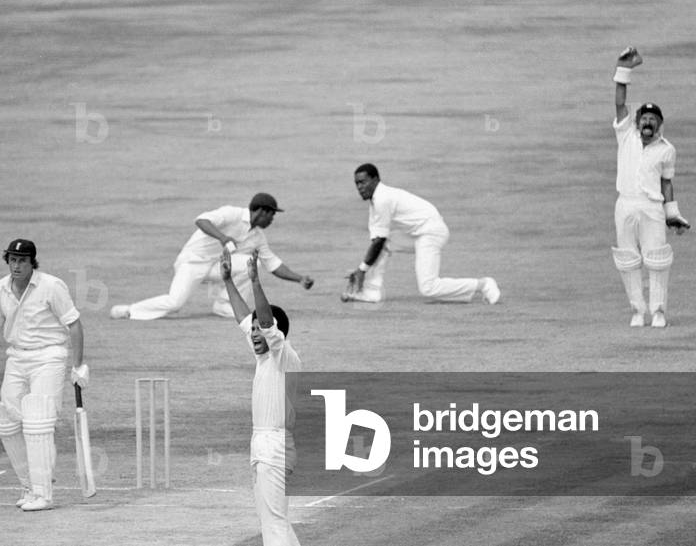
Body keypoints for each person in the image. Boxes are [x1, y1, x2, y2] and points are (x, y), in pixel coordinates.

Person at [0, 239, 89, 512]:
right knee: (8, 419)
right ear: (7, 261)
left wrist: (78, 366)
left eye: (22, 260)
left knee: (39, 420)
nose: (16, 265)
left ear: (33, 262)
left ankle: (44, 493)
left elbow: (74, 325)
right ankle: (30, 485)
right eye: (12, 260)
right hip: (17, 357)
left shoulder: (52, 287)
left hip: (49, 356)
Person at [109, 193, 314, 320]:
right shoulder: (232, 213)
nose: (273, 219)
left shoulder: (258, 236)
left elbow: (273, 264)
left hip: (218, 267)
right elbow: (201, 220)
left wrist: (300, 278)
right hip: (193, 261)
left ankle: (224, 305)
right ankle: (130, 310)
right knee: (175, 303)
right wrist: (224, 238)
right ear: (261, 211)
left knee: (253, 264)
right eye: (272, 214)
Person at [221, 249, 302, 546]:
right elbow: (246, 319)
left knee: (274, 524)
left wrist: (256, 281)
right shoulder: (264, 358)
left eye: (259, 331)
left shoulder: (285, 357)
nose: (253, 334)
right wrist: (228, 280)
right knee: (273, 521)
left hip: (275, 446)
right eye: (253, 331)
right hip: (265, 446)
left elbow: (266, 325)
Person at [610, 47, 691, 328]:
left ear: (659, 124)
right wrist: (624, 70)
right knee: (628, 259)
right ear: (637, 122)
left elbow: (667, 182)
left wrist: (672, 214)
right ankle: (637, 310)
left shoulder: (667, 150)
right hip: (626, 204)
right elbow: (620, 103)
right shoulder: (626, 136)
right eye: (643, 118)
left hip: (652, 207)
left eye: (652, 119)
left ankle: (658, 311)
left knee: (657, 260)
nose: (647, 122)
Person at [342, 163, 500, 305]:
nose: (359, 187)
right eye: (357, 184)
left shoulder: (382, 199)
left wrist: (362, 270)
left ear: (375, 179)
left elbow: (378, 242)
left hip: (431, 232)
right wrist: (362, 269)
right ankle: (371, 292)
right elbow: (378, 242)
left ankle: (483, 284)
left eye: (363, 182)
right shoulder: (376, 202)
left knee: (428, 288)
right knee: (386, 244)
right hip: (419, 233)